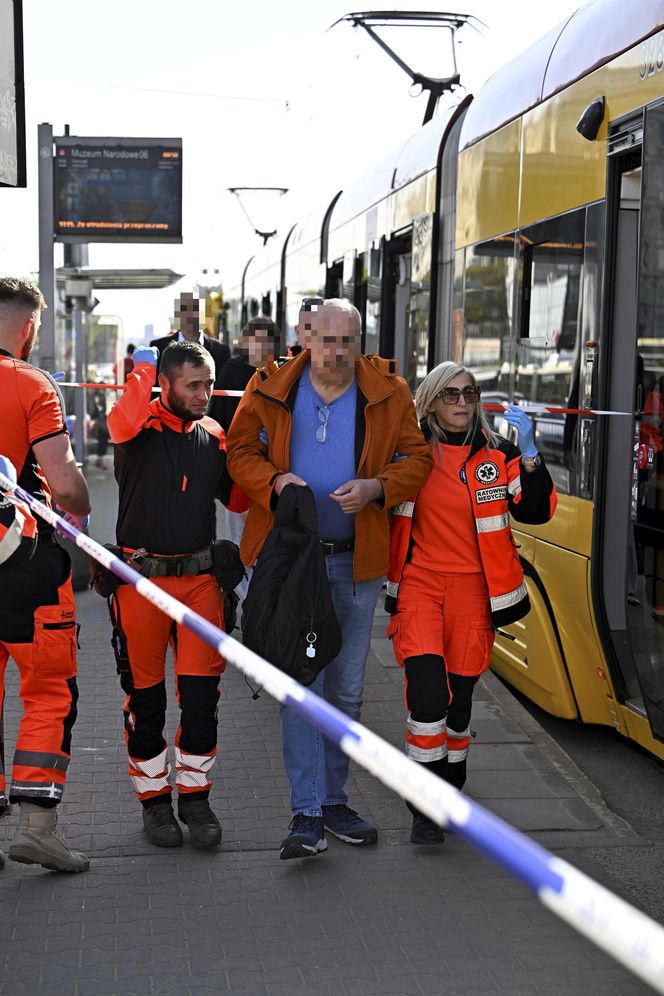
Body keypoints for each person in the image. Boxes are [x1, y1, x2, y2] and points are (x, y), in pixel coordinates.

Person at [227, 298, 433, 860]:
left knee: (346, 690)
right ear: (307, 337)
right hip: (293, 561)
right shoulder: (270, 388)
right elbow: (238, 451)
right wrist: (274, 481)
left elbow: (417, 460)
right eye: (327, 341)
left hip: (356, 560)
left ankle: (336, 799)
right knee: (300, 685)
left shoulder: (390, 393)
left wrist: (377, 489)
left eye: (349, 342)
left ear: (359, 341)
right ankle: (308, 812)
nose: (338, 353)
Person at [385, 361, 557, 844]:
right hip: (420, 586)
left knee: (458, 707)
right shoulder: (408, 452)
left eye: (469, 394)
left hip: (475, 596)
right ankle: (424, 805)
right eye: (451, 394)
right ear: (432, 399)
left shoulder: (497, 454)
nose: (461, 403)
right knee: (426, 699)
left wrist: (530, 455)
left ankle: (452, 784)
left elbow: (535, 511)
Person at [106, 340, 246, 850]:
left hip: (201, 584)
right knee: (146, 704)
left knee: (201, 703)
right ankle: (154, 806)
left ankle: (196, 799)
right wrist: (143, 367)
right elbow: (119, 422)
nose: (205, 394)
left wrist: (260, 445)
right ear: (165, 383)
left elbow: (236, 496)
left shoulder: (214, 434)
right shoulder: (137, 428)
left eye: (208, 384)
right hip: (141, 584)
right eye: (194, 385)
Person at [0, 277, 91, 873]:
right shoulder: (31, 383)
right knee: (48, 690)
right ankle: (37, 826)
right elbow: (62, 482)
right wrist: (79, 502)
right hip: (24, 561)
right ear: (28, 327)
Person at [151, 291, 230, 420]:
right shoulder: (158, 346)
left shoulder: (221, 350)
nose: (191, 315)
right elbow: (153, 388)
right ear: (177, 315)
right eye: (184, 310)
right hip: (165, 422)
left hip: (209, 423)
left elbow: (223, 393)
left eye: (196, 310)